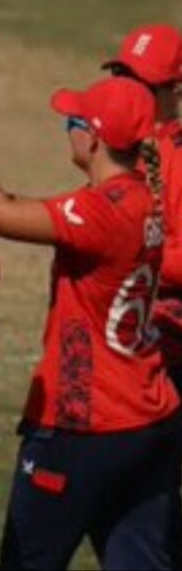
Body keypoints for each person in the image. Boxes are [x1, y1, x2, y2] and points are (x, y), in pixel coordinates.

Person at [0, 74, 182, 569]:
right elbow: (21, 209)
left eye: (72, 121)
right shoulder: (145, 201)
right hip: (149, 418)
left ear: (92, 137)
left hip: (83, 425)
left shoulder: (102, 213)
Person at [104, 25, 182, 392]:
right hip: (122, 324)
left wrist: (132, 254)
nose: (129, 92)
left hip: (168, 341)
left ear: (175, 91)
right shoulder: (117, 145)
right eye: (122, 77)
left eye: (143, 84)